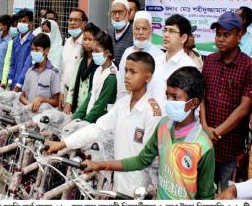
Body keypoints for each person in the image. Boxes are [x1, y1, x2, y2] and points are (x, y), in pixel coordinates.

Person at [79, 67, 215, 200]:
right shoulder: (164, 126)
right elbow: (141, 160)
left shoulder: (203, 146)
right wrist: (100, 164)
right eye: (167, 95)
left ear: (193, 103)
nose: (169, 102)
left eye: (175, 97)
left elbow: (206, 196)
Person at [46, 52, 162, 197]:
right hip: (118, 181)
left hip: (139, 189)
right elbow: (97, 129)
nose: (126, 76)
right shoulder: (122, 104)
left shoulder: (152, 112)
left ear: (148, 77)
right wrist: (63, 144)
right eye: (126, 70)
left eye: (133, 72)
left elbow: (147, 160)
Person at [200, 11, 252, 191]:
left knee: (227, 194)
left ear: (239, 36)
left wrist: (217, 132)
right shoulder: (209, 61)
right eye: (218, 34)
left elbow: (244, 108)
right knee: (204, 192)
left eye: (226, 35)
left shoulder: (248, 66)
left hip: (231, 149)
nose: (220, 39)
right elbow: (202, 97)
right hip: (205, 144)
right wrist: (206, 127)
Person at [148, 14, 197, 111]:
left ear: (183, 38)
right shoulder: (156, 61)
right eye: (165, 30)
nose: (166, 35)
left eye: (171, 31)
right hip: (150, 120)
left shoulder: (189, 67)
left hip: (173, 123)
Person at [71, 32, 118, 123]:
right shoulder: (98, 70)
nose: (93, 54)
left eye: (97, 51)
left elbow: (100, 105)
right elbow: (90, 96)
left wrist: (84, 122)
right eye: (93, 51)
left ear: (107, 53)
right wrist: (75, 117)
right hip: (92, 119)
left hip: (103, 122)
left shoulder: (111, 77)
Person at [117, 11, 163, 100]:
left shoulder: (159, 55)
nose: (140, 32)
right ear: (133, 30)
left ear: (151, 30)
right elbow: (121, 83)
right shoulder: (127, 52)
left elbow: (158, 88)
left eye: (144, 29)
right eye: (137, 29)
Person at [64, 23, 100, 114]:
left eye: (90, 39)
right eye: (85, 39)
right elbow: (73, 83)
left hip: (90, 110)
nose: (86, 42)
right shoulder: (81, 61)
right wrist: (68, 103)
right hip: (77, 108)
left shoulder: (99, 63)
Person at [19, 33, 60, 112]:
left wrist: (41, 99)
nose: (34, 52)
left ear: (46, 51)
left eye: (37, 50)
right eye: (32, 49)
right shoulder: (30, 71)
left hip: (42, 118)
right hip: (27, 114)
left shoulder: (53, 73)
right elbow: (22, 96)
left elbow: (56, 102)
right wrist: (30, 105)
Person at [60, 8, 88, 108]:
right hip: (66, 91)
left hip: (79, 94)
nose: (72, 23)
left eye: (76, 20)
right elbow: (63, 70)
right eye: (70, 20)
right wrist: (62, 91)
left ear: (84, 23)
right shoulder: (67, 42)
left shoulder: (86, 44)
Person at [8, 8, 35, 92]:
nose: (21, 23)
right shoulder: (15, 40)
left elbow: (28, 65)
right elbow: (12, 62)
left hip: (24, 84)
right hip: (13, 83)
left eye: (24, 21)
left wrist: (19, 84)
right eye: (20, 21)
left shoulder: (33, 41)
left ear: (30, 22)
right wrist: (10, 80)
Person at [108, 0, 134, 67]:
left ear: (128, 13)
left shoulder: (135, 33)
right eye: (114, 12)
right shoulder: (108, 32)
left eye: (120, 12)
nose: (117, 16)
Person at [1, 13, 20, 88]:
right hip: (8, 81)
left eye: (15, 26)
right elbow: (7, 63)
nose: (13, 28)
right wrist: (4, 81)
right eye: (12, 26)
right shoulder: (11, 42)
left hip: (18, 83)